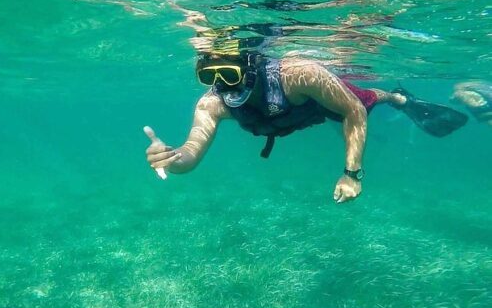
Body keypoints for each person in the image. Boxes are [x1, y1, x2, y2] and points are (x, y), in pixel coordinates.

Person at [144, 52, 468, 203]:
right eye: (208, 77)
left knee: (364, 99)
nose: (221, 86)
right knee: (339, 118)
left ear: (250, 69)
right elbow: (191, 152)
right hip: (298, 114)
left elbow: (354, 111)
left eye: (228, 74)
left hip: (315, 101)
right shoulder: (212, 104)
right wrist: (172, 160)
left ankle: (398, 98)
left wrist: (351, 173)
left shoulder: (300, 75)